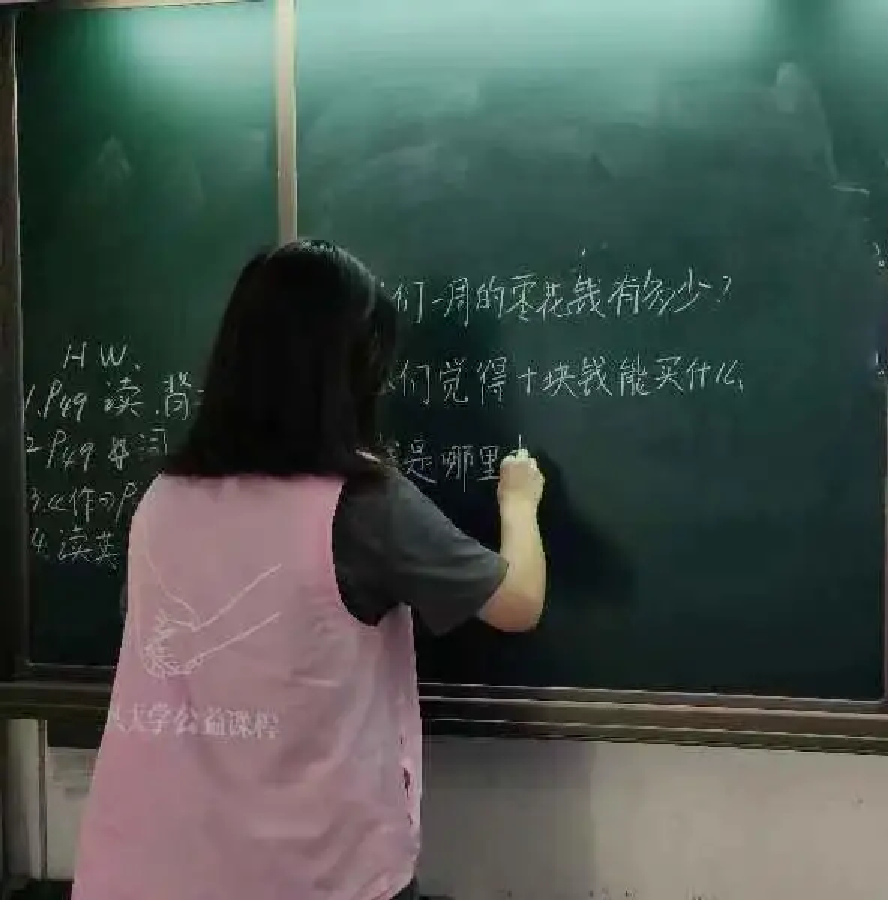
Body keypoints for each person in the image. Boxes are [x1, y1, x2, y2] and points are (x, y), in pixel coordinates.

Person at [71, 239, 546, 900]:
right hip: (313, 869)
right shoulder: (361, 504)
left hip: (155, 863)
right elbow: (517, 602)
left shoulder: (163, 498)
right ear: (347, 369)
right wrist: (518, 504)